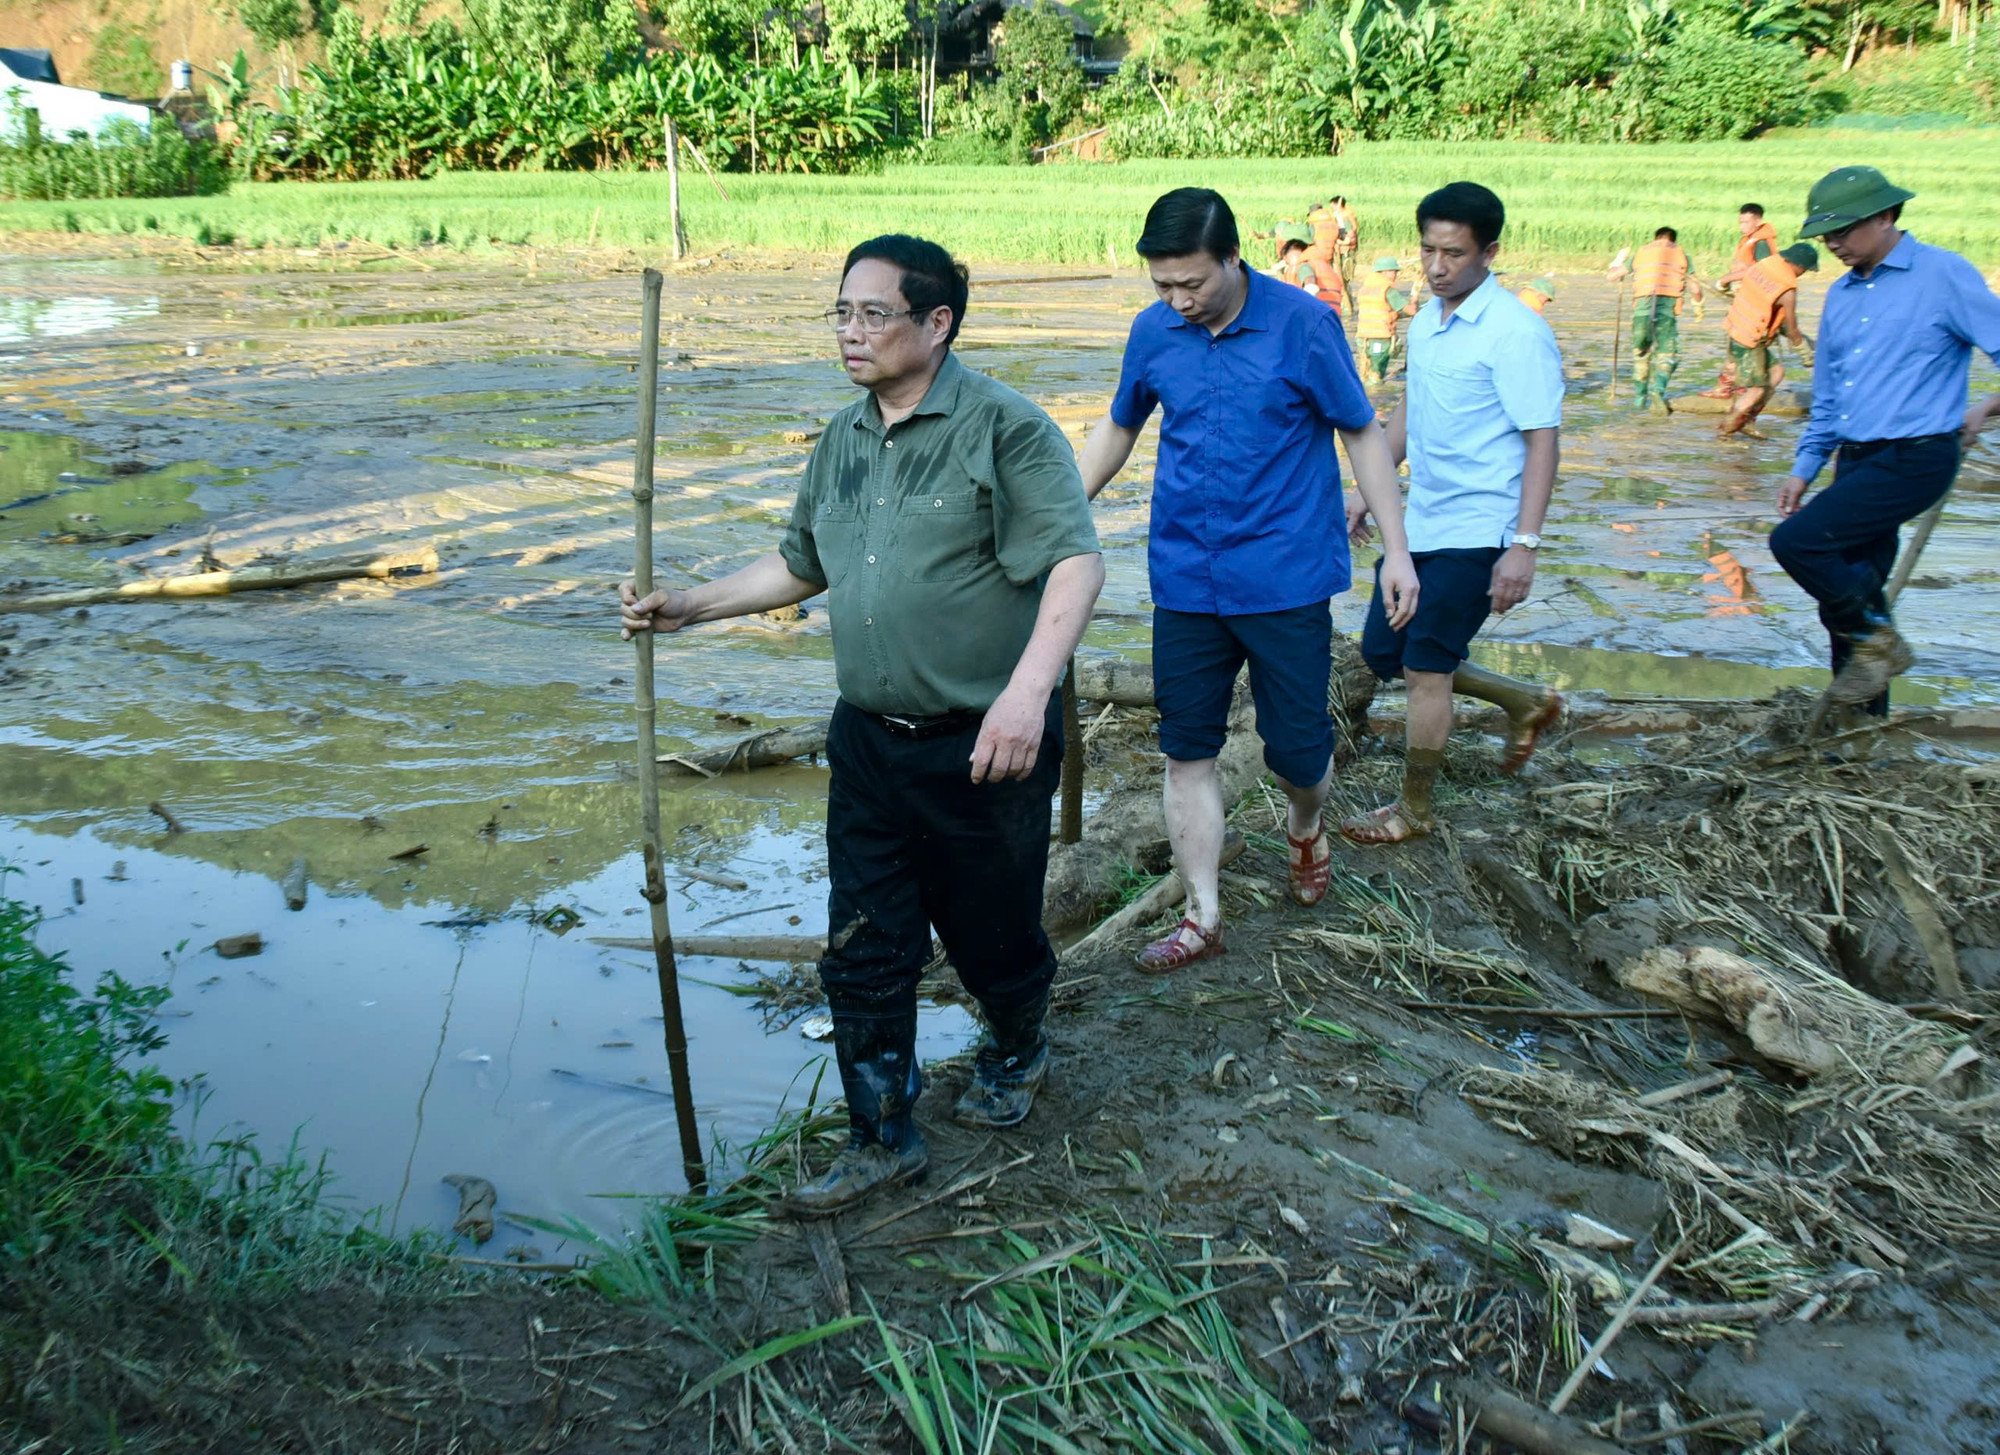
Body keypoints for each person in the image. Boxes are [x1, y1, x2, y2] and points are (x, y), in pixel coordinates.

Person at [619, 235, 1103, 1217]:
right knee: (863, 940)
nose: (850, 332)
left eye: (872, 314)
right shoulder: (842, 439)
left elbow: (1073, 562)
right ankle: (881, 1134)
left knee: (991, 936)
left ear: (937, 323)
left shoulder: (1002, 430)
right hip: (868, 742)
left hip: (984, 743)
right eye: (839, 313)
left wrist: (1025, 695)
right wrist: (691, 605)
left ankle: (1018, 1043)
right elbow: (803, 563)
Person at [1076, 188, 1418, 971]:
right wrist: (1057, 513)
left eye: (1191, 284)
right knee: (1185, 749)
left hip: (1286, 578)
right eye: (1162, 286)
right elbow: (1119, 428)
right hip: (1187, 579)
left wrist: (1395, 551)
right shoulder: (1154, 331)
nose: (1178, 301)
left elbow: (1361, 431)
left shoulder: (1304, 326)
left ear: (1234, 257)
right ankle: (1203, 912)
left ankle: (1305, 825)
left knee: (1300, 755)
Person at [1342, 182, 1565, 847]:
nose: (1437, 267)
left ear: (1490, 252)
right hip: (1422, 526)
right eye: (1427, 250)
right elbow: (1410, 416)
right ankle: (1524, 700)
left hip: (1483, 528)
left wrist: (1523, 544)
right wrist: (1366, 491)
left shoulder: (1516, 332)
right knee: (1387, 650)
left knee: (1425, 668)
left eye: (1454, 253)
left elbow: (1542, 441)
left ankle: (1414, 808)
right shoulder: (1429, 323)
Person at [1771, 165, 2000, 716]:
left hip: (1916, 456)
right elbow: (1829, 396)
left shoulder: (1942, 275)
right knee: (1854, 591)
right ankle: (1858, 734)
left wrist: (1986, 408)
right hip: (1856, 460)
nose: (1833, 244)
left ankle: (1880, 643)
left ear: (1884, 216)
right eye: (1825, 236)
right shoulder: (1842, 296)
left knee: (1797, 543)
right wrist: (1805, 466)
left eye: (1843, 231)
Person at [1718, 243, 1818, 440]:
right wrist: (1807, 355)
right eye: (1804, 269)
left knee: (1777, 372)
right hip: (1748, 338)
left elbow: (1745, 273)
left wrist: (1723, 282)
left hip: (1737, 328)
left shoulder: (1767, 264)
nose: (1803, 274)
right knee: (1756, 389)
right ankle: (1725, 432)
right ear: (1797, 265)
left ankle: (1748, 420)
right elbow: (1792, 329)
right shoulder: (1787, 291)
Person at [1611, 226, 1705, 413]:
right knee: (1667, 355)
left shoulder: (1640, 254)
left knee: (1641, 355)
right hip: (1665, 314)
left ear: (1655, 239)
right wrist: (1698, 307)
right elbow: (1695, 288)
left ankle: (1639, 398)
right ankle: (1658, 391)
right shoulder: (1681, 255)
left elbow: (1612, 275)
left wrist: (1618, 259)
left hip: (1641, 315)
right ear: (1673, 241)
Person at [1699, 204, 1780, 398]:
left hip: (1755, 303)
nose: (1741, 226)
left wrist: (1726, 279)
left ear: (1758, 221)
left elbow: (1762, 271)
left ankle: (1735, 387)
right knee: (1736, 340)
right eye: (1740, 222)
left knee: (1739, 341)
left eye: (1746, 222)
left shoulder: (1761, 244)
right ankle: (1736, 385)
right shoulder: (1750, 240)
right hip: (1744, 299)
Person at [1356, 255, 1418, 385]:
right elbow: (1411, 311)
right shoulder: (1388, 290)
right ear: (1383, 272)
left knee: (1364, 373)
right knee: (1376, 377)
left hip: (1362, 339)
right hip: (1380, 338)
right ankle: (1376, 400)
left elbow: (1381, 311)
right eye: (1392, 271)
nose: (1395, 274)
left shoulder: (1365, 288)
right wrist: (1414, 300)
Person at [1278, 223, 1346, 314]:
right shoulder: (1321, 263)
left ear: (1296, 248)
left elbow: (1310, 283)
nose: (1286, 259)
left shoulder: (1305, 265)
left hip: (1318, 318)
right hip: (1331, 319)